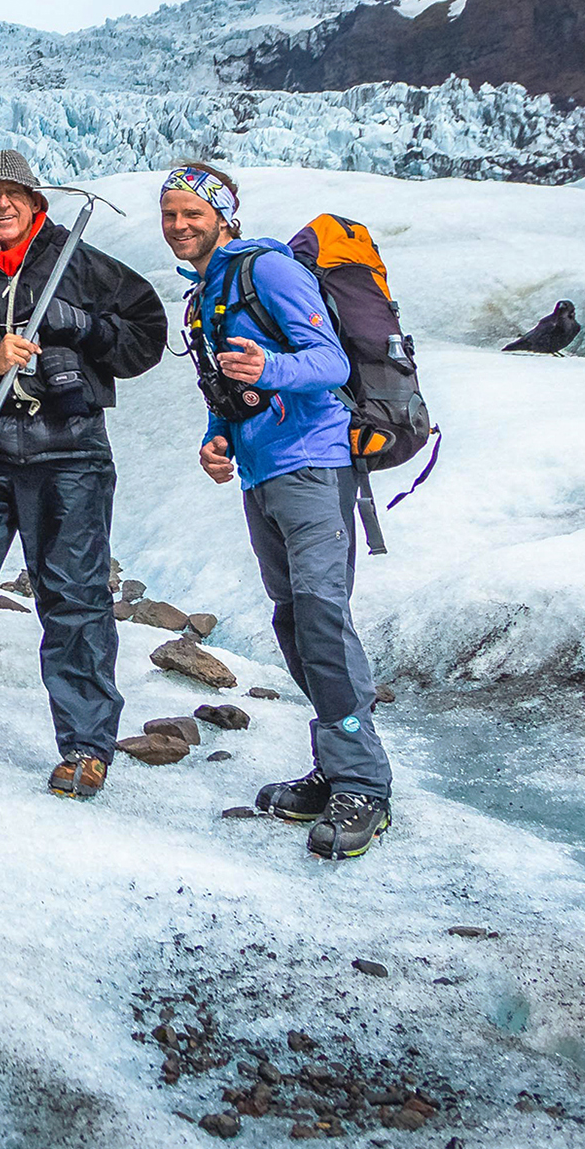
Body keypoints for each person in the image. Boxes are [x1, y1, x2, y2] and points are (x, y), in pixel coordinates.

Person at [0, 151, 166, 800]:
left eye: (13, 193)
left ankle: (85, 745)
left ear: (35, 201)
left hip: (70, 450)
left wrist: (85, 326)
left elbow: (147, 334)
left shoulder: (83, 263)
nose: (2, 205)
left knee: (74, 599)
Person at [161, 163, 394, 860]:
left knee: (322, 614)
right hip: (262, 475)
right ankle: (336, 764)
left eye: (192, 214)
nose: (179, 226)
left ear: (223, 215)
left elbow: (330, 364)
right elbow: (223, 388)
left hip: (315, 464)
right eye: (170, 215)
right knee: (294, 621)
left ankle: (364, 786)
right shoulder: (206, 294)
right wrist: (216, 440)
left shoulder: (267, 271)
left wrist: (270, 370)